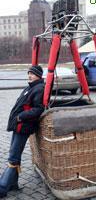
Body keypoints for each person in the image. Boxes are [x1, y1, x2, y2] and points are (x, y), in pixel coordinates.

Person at [0, 65, 45, 198]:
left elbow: (38, 109)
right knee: (14, 155)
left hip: (23, 126)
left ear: (39, 76)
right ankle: (13, 183)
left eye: (32, 74)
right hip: (18, 125)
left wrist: (21, 117)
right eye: (29, 73)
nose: (29, 76)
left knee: (13, 156)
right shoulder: (30, 87)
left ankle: (2, 187)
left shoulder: (39, 88)